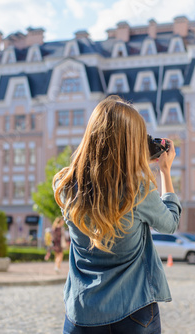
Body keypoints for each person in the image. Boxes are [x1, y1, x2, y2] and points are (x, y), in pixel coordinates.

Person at [53, 96, 180, 333]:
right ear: (131, 145)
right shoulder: (138, 189)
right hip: (133, 311)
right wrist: (164, 171)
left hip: (82, 312)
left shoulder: (64, 184)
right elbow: (170, 223)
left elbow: (101, 180)